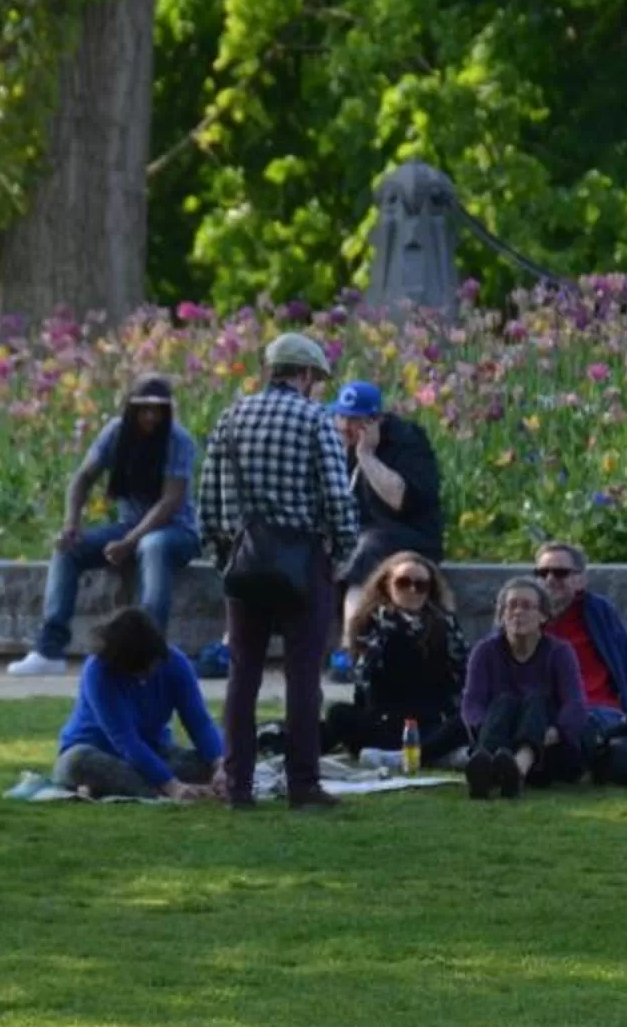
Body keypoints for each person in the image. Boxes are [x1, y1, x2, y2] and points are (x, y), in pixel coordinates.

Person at [195, 331, 358, 811]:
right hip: (303, 562)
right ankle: (302, 785)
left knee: (242, 678)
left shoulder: (232, 416)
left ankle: (239, 786)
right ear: (305, 374)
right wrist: (339, 554)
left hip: (245, 564)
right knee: (303, 679)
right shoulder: (315, 420)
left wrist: (223, 557)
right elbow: (337, 498)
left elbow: (209, 500)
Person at [8, 376, 201, 676]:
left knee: (153, 545)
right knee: (68, 550)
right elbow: (83, 478)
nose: (151, 416)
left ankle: (150, 654)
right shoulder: (115, 433)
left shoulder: (178, 440)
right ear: (130, 408)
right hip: (129, 526)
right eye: (143, 409)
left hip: (177, 531)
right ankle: (49, 650)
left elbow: (170, 501)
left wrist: (131, 540)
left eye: (158, 410)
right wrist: (71, 523)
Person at [52, 604, 225, 800]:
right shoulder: (98, 671)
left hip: (153, 751)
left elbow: (199, 722)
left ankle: (120, 786)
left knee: (204, 764)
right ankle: (158, 789)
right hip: (95, 750)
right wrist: (171, 784)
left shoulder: (175, 662)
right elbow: (125, 740)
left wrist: (219, 763)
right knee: (75, 763)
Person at [530, 540, 627, 759]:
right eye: (542, 573)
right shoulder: (519, 615)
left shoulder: (600, 613)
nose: (550, 579)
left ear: (581, 579)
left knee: (587, 729)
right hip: (546, 710)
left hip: (599, 711)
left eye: (560, 573)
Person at [320, 553, 468, 765]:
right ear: (387, 585)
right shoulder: (370, 626)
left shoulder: (445, 626)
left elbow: (460, 679)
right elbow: (365, 688)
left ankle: (408, 756)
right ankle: (430, 754)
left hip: (432, 721)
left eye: (421, 585)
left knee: (470, 718)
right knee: (337, 714)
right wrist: (391, 634)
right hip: (386, 721)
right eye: (403, 583)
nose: (412, 591)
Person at [330, 380, 445, 643]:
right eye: (342, 418)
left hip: (410, 535)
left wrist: (367, 456)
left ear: (375, 421)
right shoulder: (339, 442)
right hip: (361, 534)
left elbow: (399, 500)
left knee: (366, 550)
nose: (346, 428)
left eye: (355, 421)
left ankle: (349, 646)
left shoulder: (407, 442)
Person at [457, 577, 586, 801]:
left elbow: (574, 706)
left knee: (536, 699)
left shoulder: (559, 652)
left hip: (550, 748)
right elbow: (472, 704)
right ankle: (486, 767)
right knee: (504, 701)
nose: (518, 612)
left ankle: (517, 768)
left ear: (543, 615)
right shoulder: (485, 651)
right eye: (512, 606)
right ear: (501, 615)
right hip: (499, 739)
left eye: (526, 606)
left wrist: (545, 735)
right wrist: (489, 730)